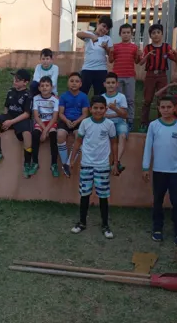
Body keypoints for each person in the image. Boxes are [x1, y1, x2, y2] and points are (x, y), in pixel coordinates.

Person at [69, 95, 120, 239]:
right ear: (90, 109)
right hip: (86, 164)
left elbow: (114, 143)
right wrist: (72, 160)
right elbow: (78, 142)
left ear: (105, 109)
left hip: (103, 165)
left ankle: (105, 225)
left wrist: (115, 162)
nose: (98, 111)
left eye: (101, 108)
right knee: (84, 194)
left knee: (103, 196)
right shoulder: (85, 123)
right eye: (95, 108)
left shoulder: (109, 124)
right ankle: (82, 222)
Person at [142, 97, 177, 245]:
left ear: (175, 108)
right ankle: (157, 228)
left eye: (169, 107)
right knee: (158, 200)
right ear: (158, 108)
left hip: (176, 171)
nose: (166, 110)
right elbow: (148, 147)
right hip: (158, 171)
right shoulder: (154, 126)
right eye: (163, 107)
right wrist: (145, 167)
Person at [0, 70, 34, 178]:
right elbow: (6, 108)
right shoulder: (10, 91)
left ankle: (27, 163)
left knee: (27, 134)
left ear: (25, 82)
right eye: (14, 79)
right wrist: (5, 120)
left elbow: (27, 114)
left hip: (21, 119)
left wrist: (11, 122)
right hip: (10, 116)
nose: (15, 81)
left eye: (18, 80)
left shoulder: (28, 95)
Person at [138, 24, 177, 132]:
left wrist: (175, 54)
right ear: (150, 35)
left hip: (162, 75)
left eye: (158, 32)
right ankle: (144, 123)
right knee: (147, 99)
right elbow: (141, 63)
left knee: (162, 99)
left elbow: (174, 59)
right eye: (153, 33)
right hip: (150, 75)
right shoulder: (148, 48)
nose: (156, 35)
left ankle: (160, 121)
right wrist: (148, 55)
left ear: (162, 34)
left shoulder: (166, 47)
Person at [108, 23, 141, 131]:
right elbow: (111, 60)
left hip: (130, 77)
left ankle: (130, 120)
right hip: (117, 77)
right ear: (120, 34)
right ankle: (119, 119)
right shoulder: (116, 46)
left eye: (128, 33)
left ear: (131, 34)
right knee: (117, 99)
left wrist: (138, 54)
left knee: (130, 100)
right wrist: (111, 53)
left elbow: (137, 61)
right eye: (124, 33)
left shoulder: (134, 47)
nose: (126, 35)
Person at [57, 72, 90, 178]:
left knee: (80, 137)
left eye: (77, 81)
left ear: (80, 84)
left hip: (79, 121)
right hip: (65, 120)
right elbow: (60, 113)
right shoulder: (63, 96)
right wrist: (66, 121)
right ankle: (64, 162)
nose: (74, 83)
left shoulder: (84, 97)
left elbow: (85, 113)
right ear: (68, 83)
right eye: (71, 81)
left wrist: (76, 122)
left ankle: (68, 163)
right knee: (60, 135)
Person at [76, 16, 113, 97]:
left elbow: (110, 55)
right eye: (103, 26)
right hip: (87, 69)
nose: (104, 29)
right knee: (82, 93)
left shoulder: (108, 38)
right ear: (98, 24)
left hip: (101, 70)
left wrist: (106, 47)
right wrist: (92, 36)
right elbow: (78, 34)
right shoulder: (88, 34)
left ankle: (97, 109)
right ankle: (82, 109)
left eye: (107, 29)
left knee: (100, 95)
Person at [31, 76, 60, 177]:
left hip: (51, 122)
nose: (44, 88)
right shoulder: (36, 98)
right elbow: (36, 116)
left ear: (51, 87)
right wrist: (44, 130)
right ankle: (34, 162)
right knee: (35, 135)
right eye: (42, 85)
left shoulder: (55, 100)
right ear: (39, 88)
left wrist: (46, 131)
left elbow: (55, 117)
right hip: (40, 122)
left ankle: (54, 164)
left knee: (53, 135)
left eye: (47, 85)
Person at [103, 72, 129, 174]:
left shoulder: (121, 97)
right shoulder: (102, 97)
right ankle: (114, 164)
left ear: (117, 84)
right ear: (104, 84)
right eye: (108, 82)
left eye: (113, 82)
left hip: (119, 122)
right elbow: (100, 114)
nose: (110, 85)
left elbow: (124, 115)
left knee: (122, 135)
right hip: (106, 122)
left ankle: (115, 162)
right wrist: (110, 115)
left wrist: (114, 108)